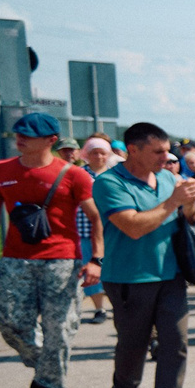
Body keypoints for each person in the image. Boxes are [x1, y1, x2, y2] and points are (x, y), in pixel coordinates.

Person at [0, 111, 96, 388]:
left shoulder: (74, 174)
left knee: (60, 328)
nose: (20, 138)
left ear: (51, 141)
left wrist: (96, 260)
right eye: (18, 133)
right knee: (7, 318)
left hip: (62, 262)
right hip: (15, 259)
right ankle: (46, 366)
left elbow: (96, 218)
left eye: (28, 134)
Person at [90, 121, 195, 388]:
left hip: (171, 274)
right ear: (133, 150)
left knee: (175, 340)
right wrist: (173, 202)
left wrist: (191, 204)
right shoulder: (109, 183)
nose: (165, 157)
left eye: (168, 151)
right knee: (134, 342)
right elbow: (133, 227)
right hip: (130, 276)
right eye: (157, 151)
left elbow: (187, 219)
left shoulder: (168, 179)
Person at [75, 136, 116, 324]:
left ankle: (118, 305)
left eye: (102, 153)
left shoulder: (116, 175)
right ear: (87, 155)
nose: (99, 156)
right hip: (85, 231)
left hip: (112, 231)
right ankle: (100, 308)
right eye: (94, 153)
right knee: (90, 270)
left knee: (113, 270)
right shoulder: (78, 174)